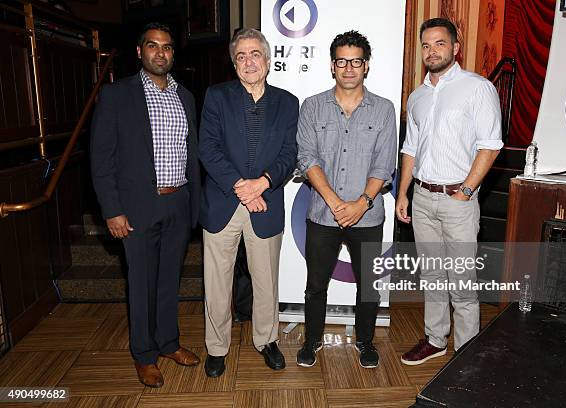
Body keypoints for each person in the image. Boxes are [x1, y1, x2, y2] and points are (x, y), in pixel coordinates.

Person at [90, 23, 201, 387]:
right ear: (139, 52)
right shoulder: (117, 95)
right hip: (137, 208)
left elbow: (191, 154)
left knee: (170, 280)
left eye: (167, 48)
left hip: (178, 201)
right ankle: (144, 354)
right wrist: (112, 209)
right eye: (152, 46)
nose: (160, 53)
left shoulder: (185, 96)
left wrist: (193, 205)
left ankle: (168, 342)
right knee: (140, 283)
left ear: (173, 54)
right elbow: (101, 159)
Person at [396, 18, 503, 365]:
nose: (431, 51)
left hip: (459, 199)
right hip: (423, 199)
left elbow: (490, 145)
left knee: (461, 280)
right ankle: (436, 339)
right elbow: (410, 149)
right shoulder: (417, 96)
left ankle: (468, 351)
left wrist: (466, 191)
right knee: (431, 275)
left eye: (439, 43)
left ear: (455, 48)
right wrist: (403, 193)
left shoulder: (478, 88)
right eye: (426, 45)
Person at [199, 28, 298, 377]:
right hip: (222, 203)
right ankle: (216, 347)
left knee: (266, 281)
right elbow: (207, 148)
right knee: (217, 282)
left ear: (268, 61)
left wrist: (263, 184)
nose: (248, 61)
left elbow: (290, 154)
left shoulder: (288, 102)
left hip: (266, 203)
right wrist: (242, 187)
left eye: (255, 54)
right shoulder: (216, 97)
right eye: (240, 56)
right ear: (233, 64)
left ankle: (267, 340)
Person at [296, 30, 397, 369]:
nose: (349, 68)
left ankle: (365, 342)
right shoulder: (312, 106)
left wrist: (360, 204)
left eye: (356, 61)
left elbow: (385, 163)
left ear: (366, 66)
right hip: (322, 215)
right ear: (332, 65)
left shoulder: (384, 109)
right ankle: (312, 340)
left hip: (367, 216)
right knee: (315, 284)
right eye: (342, 61)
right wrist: (336, 203)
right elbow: (307, 158)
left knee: (369, 286)